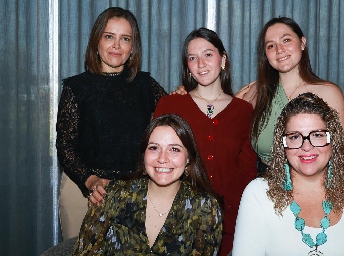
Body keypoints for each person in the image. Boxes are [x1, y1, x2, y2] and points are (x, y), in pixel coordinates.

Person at [232, 93, 344, 255]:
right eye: (295, 136)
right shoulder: (258, 194)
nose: (306, 147)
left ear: (333, 139)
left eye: (318, 135)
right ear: (282, 144)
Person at [56, 7, 167, 240]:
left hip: (135, 193)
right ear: (96, 42)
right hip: (83, 192)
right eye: (109, 36)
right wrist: (90, 180)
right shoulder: (75, 88)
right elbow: (65, 146)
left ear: (132, 47)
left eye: (125, 39)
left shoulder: (147, 85)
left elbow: (176, 120)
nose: (116, 45)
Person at [153, 28, 257, 255]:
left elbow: (247, 171)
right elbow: (154, 161)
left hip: (229, 225)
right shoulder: (170, 105)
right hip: (177, 222)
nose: (201, 63)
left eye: (208, 54)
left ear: (223, 59)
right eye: (192, 58)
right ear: (187, 66)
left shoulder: (243, 110)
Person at [235, 17, 344, 180]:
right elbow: (226, 143)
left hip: (318, 189)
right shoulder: (256, 93)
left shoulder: (329, 93)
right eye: (271, 46)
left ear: (302, 43)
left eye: (286, 40)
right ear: (266, 55)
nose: (279, 49)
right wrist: (233, 105)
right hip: (267, 190)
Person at [73, 114, 223, 255]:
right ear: (144, 155)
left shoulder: (206, 208)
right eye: (154, 148)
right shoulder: (111, 196)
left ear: (188, 159)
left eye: (174, 149)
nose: (162, 158)